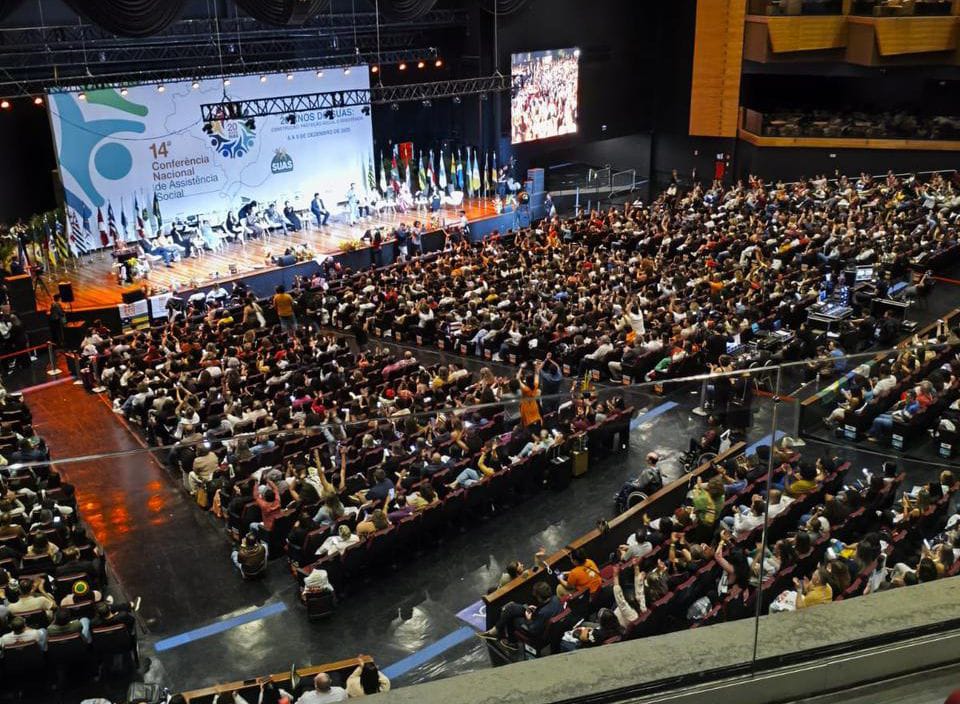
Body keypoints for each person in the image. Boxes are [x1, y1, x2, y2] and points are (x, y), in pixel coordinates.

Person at [478, 580, 561, 646]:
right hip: (540, 618)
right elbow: (546, 611)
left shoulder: (543, 613)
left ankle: (512, 643)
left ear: (539, 597)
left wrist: (528, 619)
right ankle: (496, 629)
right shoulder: (555, 598)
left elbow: (533, 630)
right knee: (512, 607)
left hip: (536, 632)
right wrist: (537, 609)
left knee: (512, 617)